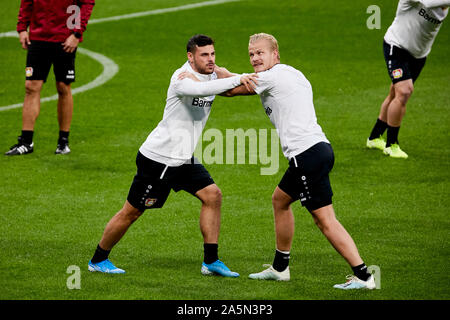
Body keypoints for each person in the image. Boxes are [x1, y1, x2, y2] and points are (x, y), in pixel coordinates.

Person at [88, 34, 257, 277]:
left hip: (182, 157)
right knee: (132, 211)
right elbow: (205, 88)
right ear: (190, 56)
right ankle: (98, 259)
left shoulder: (212, 73)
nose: (210, 59)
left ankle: (210, 261)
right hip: (160, 159)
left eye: (212, 54)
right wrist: (237, 77)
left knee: (213, 195)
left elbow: (234, 89)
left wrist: (266, 81)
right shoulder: (181, 79)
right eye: (204, 55)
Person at [217, 33, 375, 289]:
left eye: (260, 53)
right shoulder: (289, 73)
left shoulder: (273, 76)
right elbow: (243, 79)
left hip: (306, 155)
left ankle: (364, 276)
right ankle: (280, 268)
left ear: (275, 55)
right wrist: (222, 71)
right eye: (251, 54)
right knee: (280, 200)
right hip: (319, 149)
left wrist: (205, 77)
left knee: (324, 219)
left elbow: (232, 91)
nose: (255, 58)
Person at [5, 0, 95, 156]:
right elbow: (27, 2)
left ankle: (63, 142)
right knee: (31, 86)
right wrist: (21, 28)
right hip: (37, 39)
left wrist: (77, 34)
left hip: (65, 39)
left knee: (63, 86)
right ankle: (26, 142)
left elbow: (87, 3)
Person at [366, 0, 449, 159]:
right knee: (404, 91)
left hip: (419, 55)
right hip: (397, 47)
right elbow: (430, 3)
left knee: (394, 94)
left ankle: (374, 137)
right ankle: (391, 145)